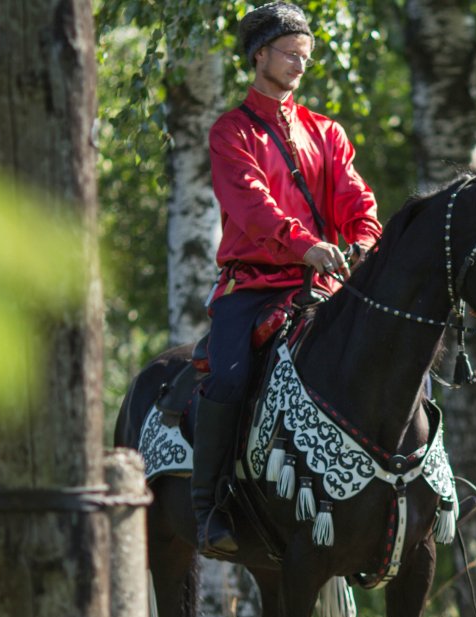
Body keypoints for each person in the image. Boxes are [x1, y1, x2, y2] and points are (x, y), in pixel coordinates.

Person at [163, 2, 382, 555]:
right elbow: (253, 206)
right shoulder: (230, 132)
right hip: (255, 287)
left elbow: (359, 201)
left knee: (395, 351)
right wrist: (308, 246)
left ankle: (417, 480)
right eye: (290, 53)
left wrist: (362, 240)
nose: (300, 65)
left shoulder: (327, 133)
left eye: (306, 56)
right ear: (260, 54)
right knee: (231, 378)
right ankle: (208, 504)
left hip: (324, 288)